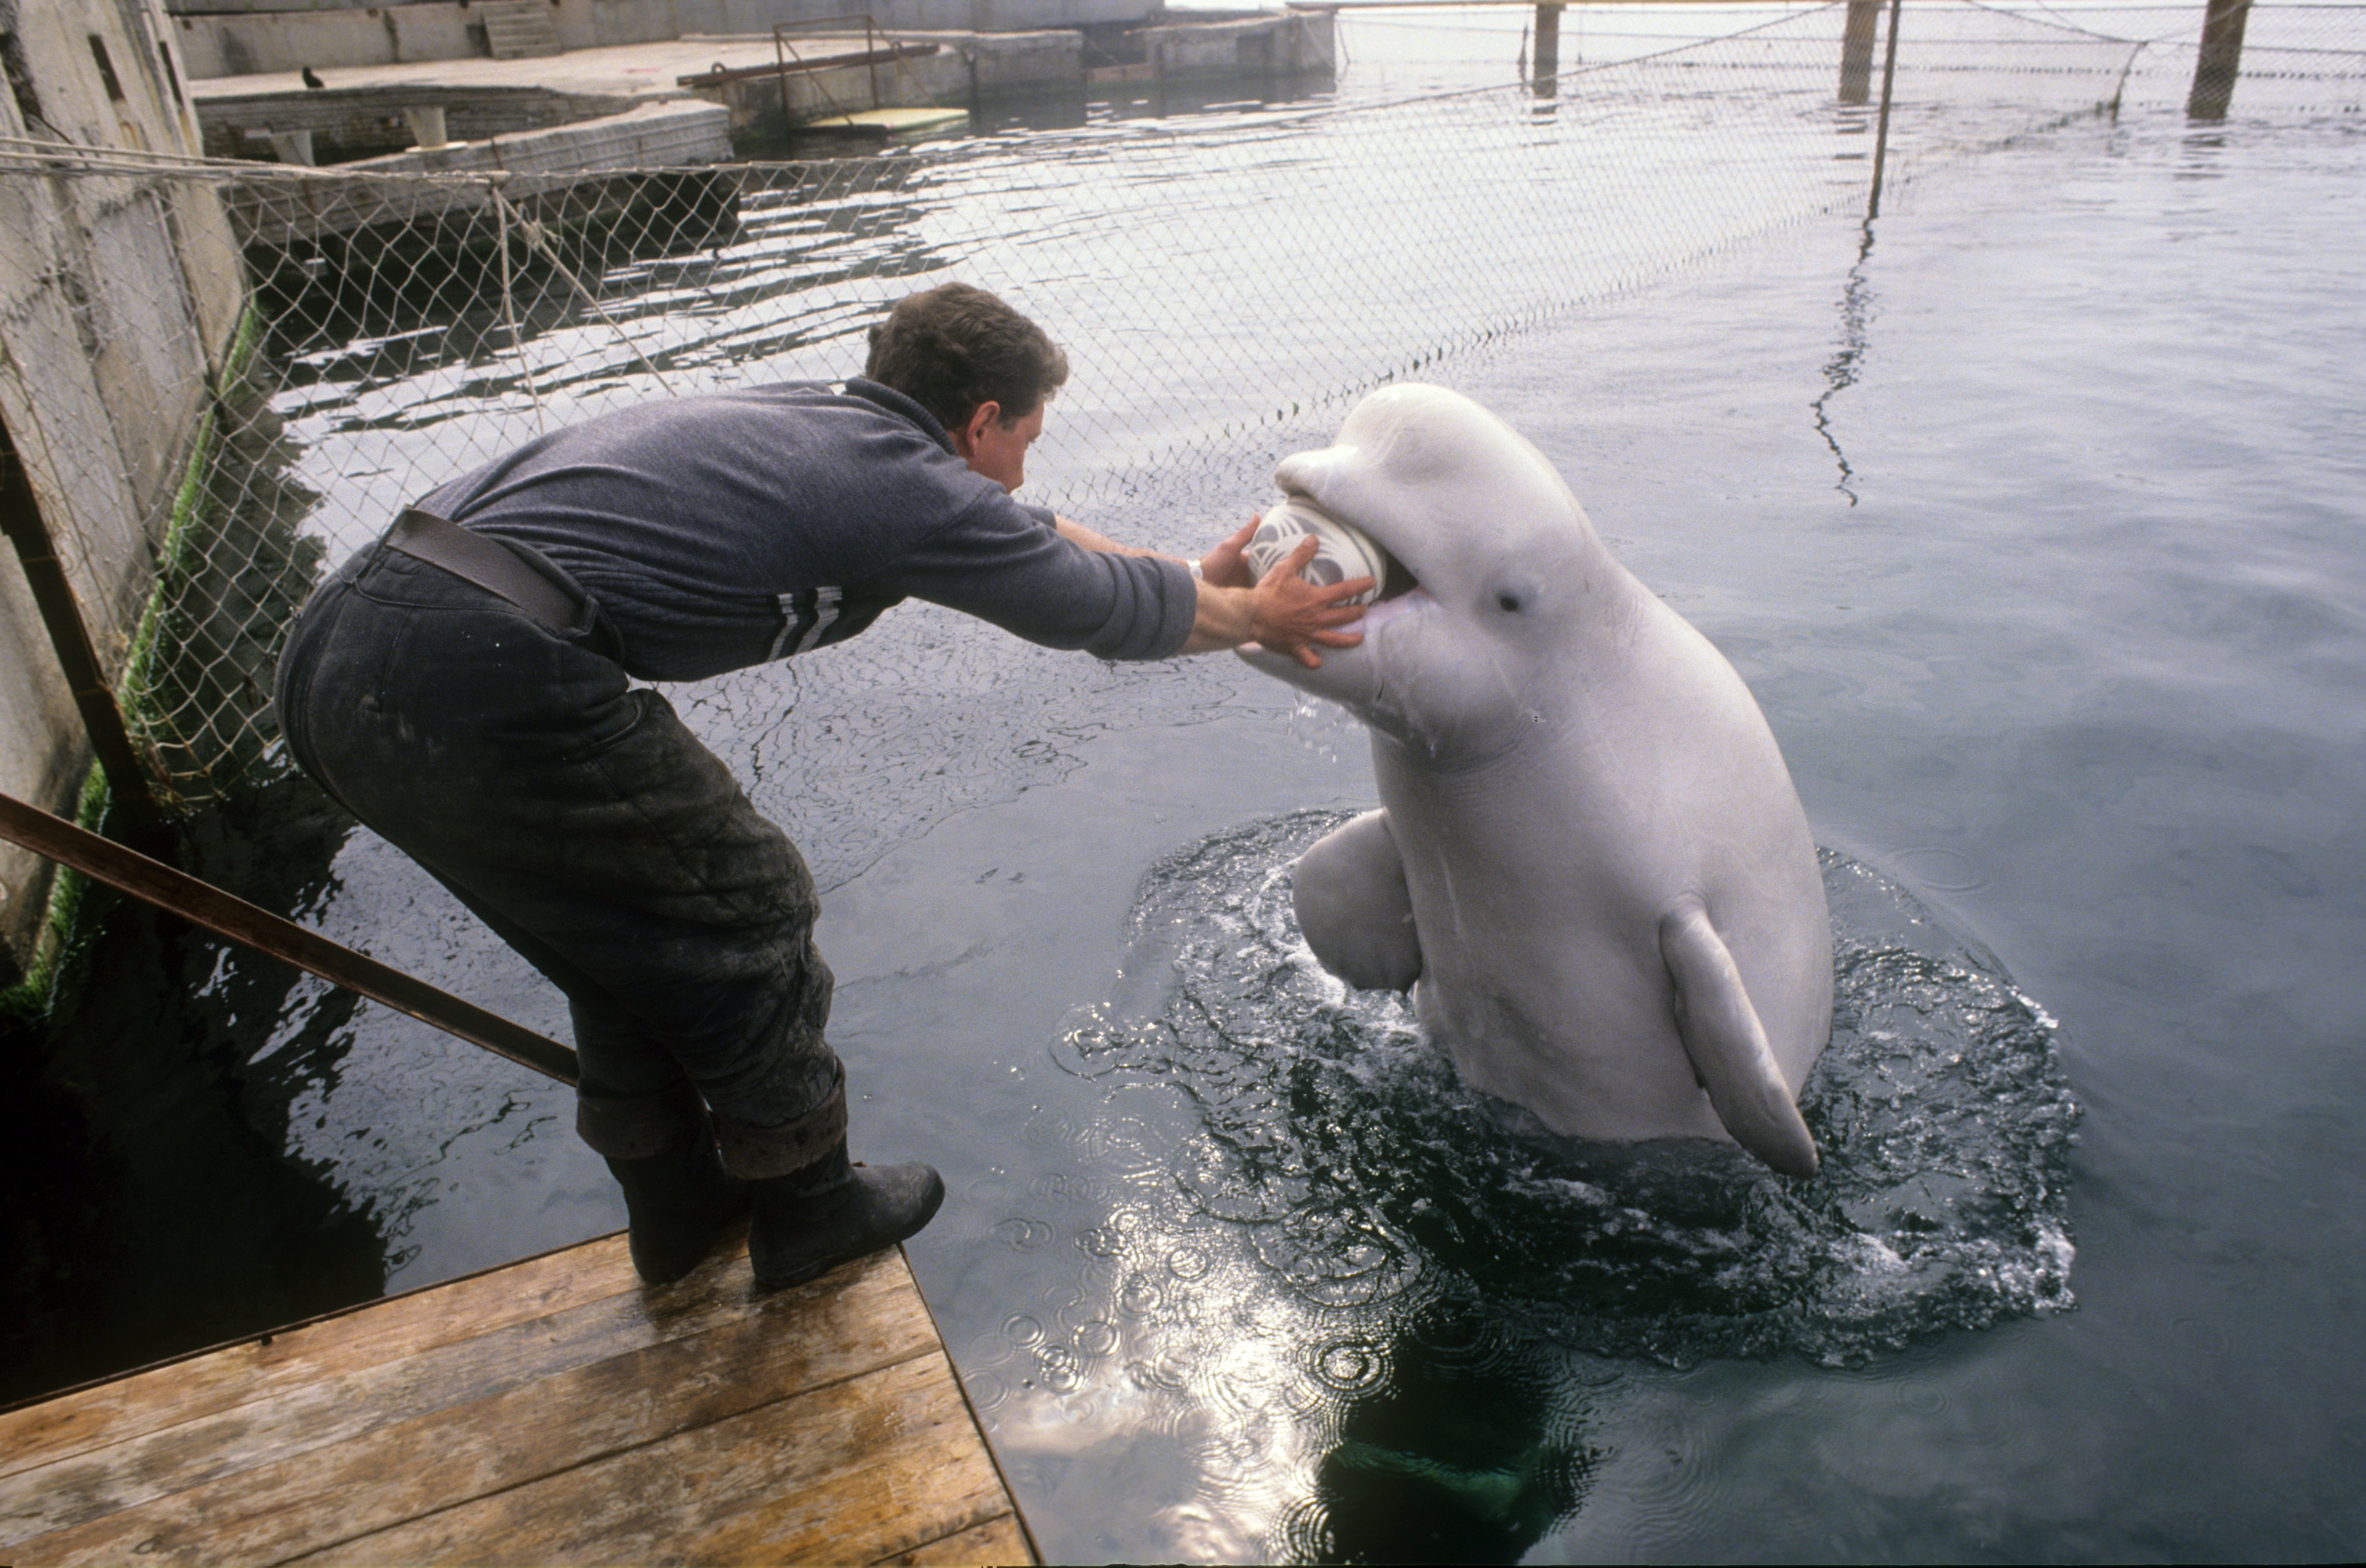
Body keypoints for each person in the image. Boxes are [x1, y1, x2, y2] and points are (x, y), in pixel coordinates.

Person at [273, 283, 1366, 1290]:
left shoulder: (828, 427)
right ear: (981, 421)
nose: (1024, 470)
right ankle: (807, 1204)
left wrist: (1191, 578)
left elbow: (1033, 539)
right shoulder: (900, 485)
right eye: (1025, 439)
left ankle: (676, 1208)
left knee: (624, 944)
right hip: (471, 663)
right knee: (748, 898)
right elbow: (1084, 606)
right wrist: (1257, 620)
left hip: (345, 648)